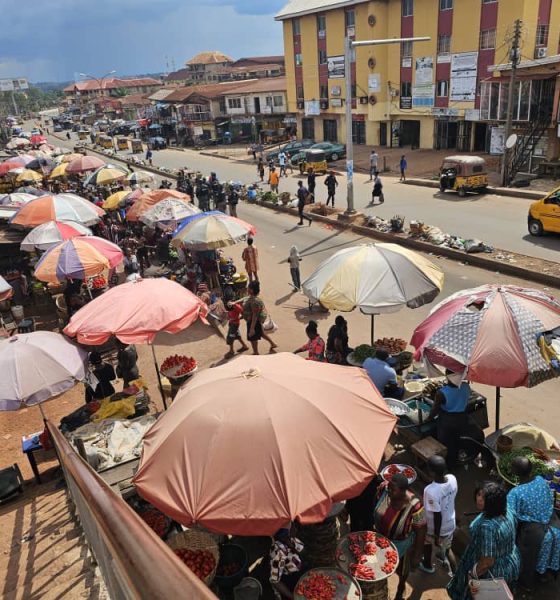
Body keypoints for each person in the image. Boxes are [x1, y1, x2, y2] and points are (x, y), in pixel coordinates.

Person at [448, 482, 521, 600]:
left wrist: (472, 574)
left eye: (483, 498)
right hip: (510, 560)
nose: (479, 499)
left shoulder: (487, 527)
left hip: (491, 570)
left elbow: (487, 562)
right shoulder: (509, 510)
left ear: (493, 503)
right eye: (479, 494)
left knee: (477, 594)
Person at [507, 456, 559, 589]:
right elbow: (550, 499)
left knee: (527, 558)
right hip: (555, 526)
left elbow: (511, 518)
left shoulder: (515, 493)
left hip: (536, 533)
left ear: (515, 472)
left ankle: (526, 584)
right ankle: (544, 574)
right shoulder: (541, 480)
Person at [374, 473, 427, 600]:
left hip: (401, 545)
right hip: (379, 539)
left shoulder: (415, 506)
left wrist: (417, 555)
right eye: (389, 488)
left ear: (403, 491)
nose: (389, 491)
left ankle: (401, 586)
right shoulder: (383, 489)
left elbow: (421, 531)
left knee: (402, 570)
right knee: (378, 566)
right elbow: (376, 502)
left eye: (393, 490)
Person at [421, 455, 458, 575]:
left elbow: (437, 516)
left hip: (435, 529)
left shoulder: (430, 491)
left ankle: (427, 565)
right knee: (447, 549)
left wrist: (436, 536)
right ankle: (456, 573)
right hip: (450, 523)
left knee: (427, 543)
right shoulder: (452, 478)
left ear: (431, 472)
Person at [428, 371, 471, 468]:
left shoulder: (442, 392)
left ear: (447, 377)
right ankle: (457, 459)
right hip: (462, 418)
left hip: (447, 421)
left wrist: (428, 419)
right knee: (457, 440)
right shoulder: (466, 386)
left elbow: (434, 410)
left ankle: (447, 464)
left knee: (445, 443)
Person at [269, 526, 305, 599]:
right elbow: (275, 581)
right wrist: (293, 597)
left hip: (300, 574)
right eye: (292, 526)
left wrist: (292, 545)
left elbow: (300, 549)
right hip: (290, 582)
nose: (296, 528)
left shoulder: (291, 539)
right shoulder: (278, 554)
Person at [242, 281, 277, 355]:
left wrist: (252, 328)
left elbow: (255, 315)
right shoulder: (253, 298)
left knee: (253, 338)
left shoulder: (255, 301)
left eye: (248, 288)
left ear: (251, 290)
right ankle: (273, 344)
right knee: (261, 333)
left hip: (253, 322)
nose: (247, 289)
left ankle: (256, 352)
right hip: (255, 321)